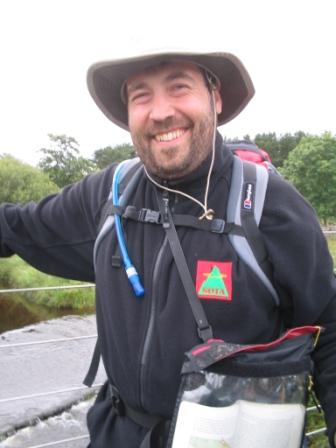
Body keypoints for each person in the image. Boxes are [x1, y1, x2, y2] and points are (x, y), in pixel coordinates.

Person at [1, 48, 336, 447]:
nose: (160, 112)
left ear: (215, 97)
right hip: (118, 433)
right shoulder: (109, 196)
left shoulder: (270, 207)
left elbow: (329, 332)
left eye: (179, 87)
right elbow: (18, 227)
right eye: (141, 95)